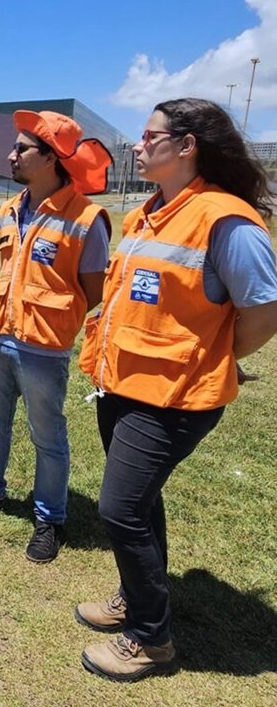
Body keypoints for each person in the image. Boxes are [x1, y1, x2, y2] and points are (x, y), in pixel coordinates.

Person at [75, 98, 277, 682]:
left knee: (119, 509)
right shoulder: (147, 214)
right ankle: (137, 600)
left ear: (187, 145)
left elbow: (263, 310)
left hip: (175, 395)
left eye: (148, 136)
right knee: (139, 502)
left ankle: (150, 638)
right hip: (124, 383)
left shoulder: (225, 219)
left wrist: (221, 356)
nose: (137, 146)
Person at [0, 111, 112, 564]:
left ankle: (49, 519)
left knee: (48, 435)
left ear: (53, 158)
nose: (11, 155)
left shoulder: (86, 218)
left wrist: (55, 320)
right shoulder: (9, 210)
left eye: (22, 149)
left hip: (43, 347)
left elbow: (95, 288)